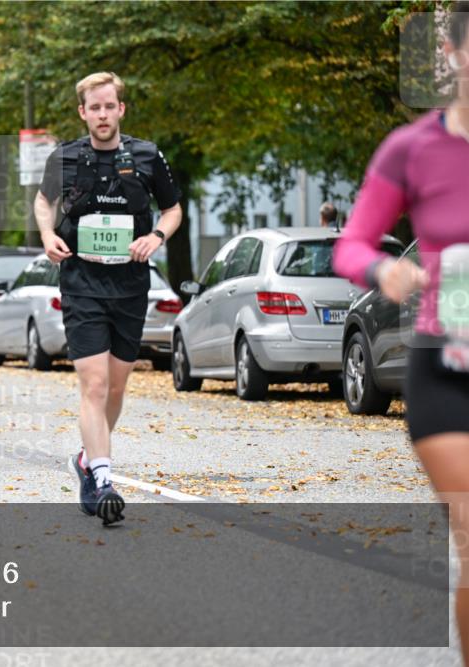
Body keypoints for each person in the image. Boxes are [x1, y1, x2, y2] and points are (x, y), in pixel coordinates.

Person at [333, 4, 469, 662]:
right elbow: (353, 243)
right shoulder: (411, 148)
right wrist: (383, 267)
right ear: (453, 53)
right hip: (445, 368)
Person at [35, 72, 183, 525]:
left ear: (121, 109)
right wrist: (46, 234)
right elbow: (45, 202)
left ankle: (85, 458)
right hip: (81, 282)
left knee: (117, 387)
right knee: (94, 385)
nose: (102, 114)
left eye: (109, 106)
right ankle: (102, 478)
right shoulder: (66, 157)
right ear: (83, 112)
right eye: (93, 108)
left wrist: (156, 235)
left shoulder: (145, 155)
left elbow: (173, 208)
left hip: (130, 285)